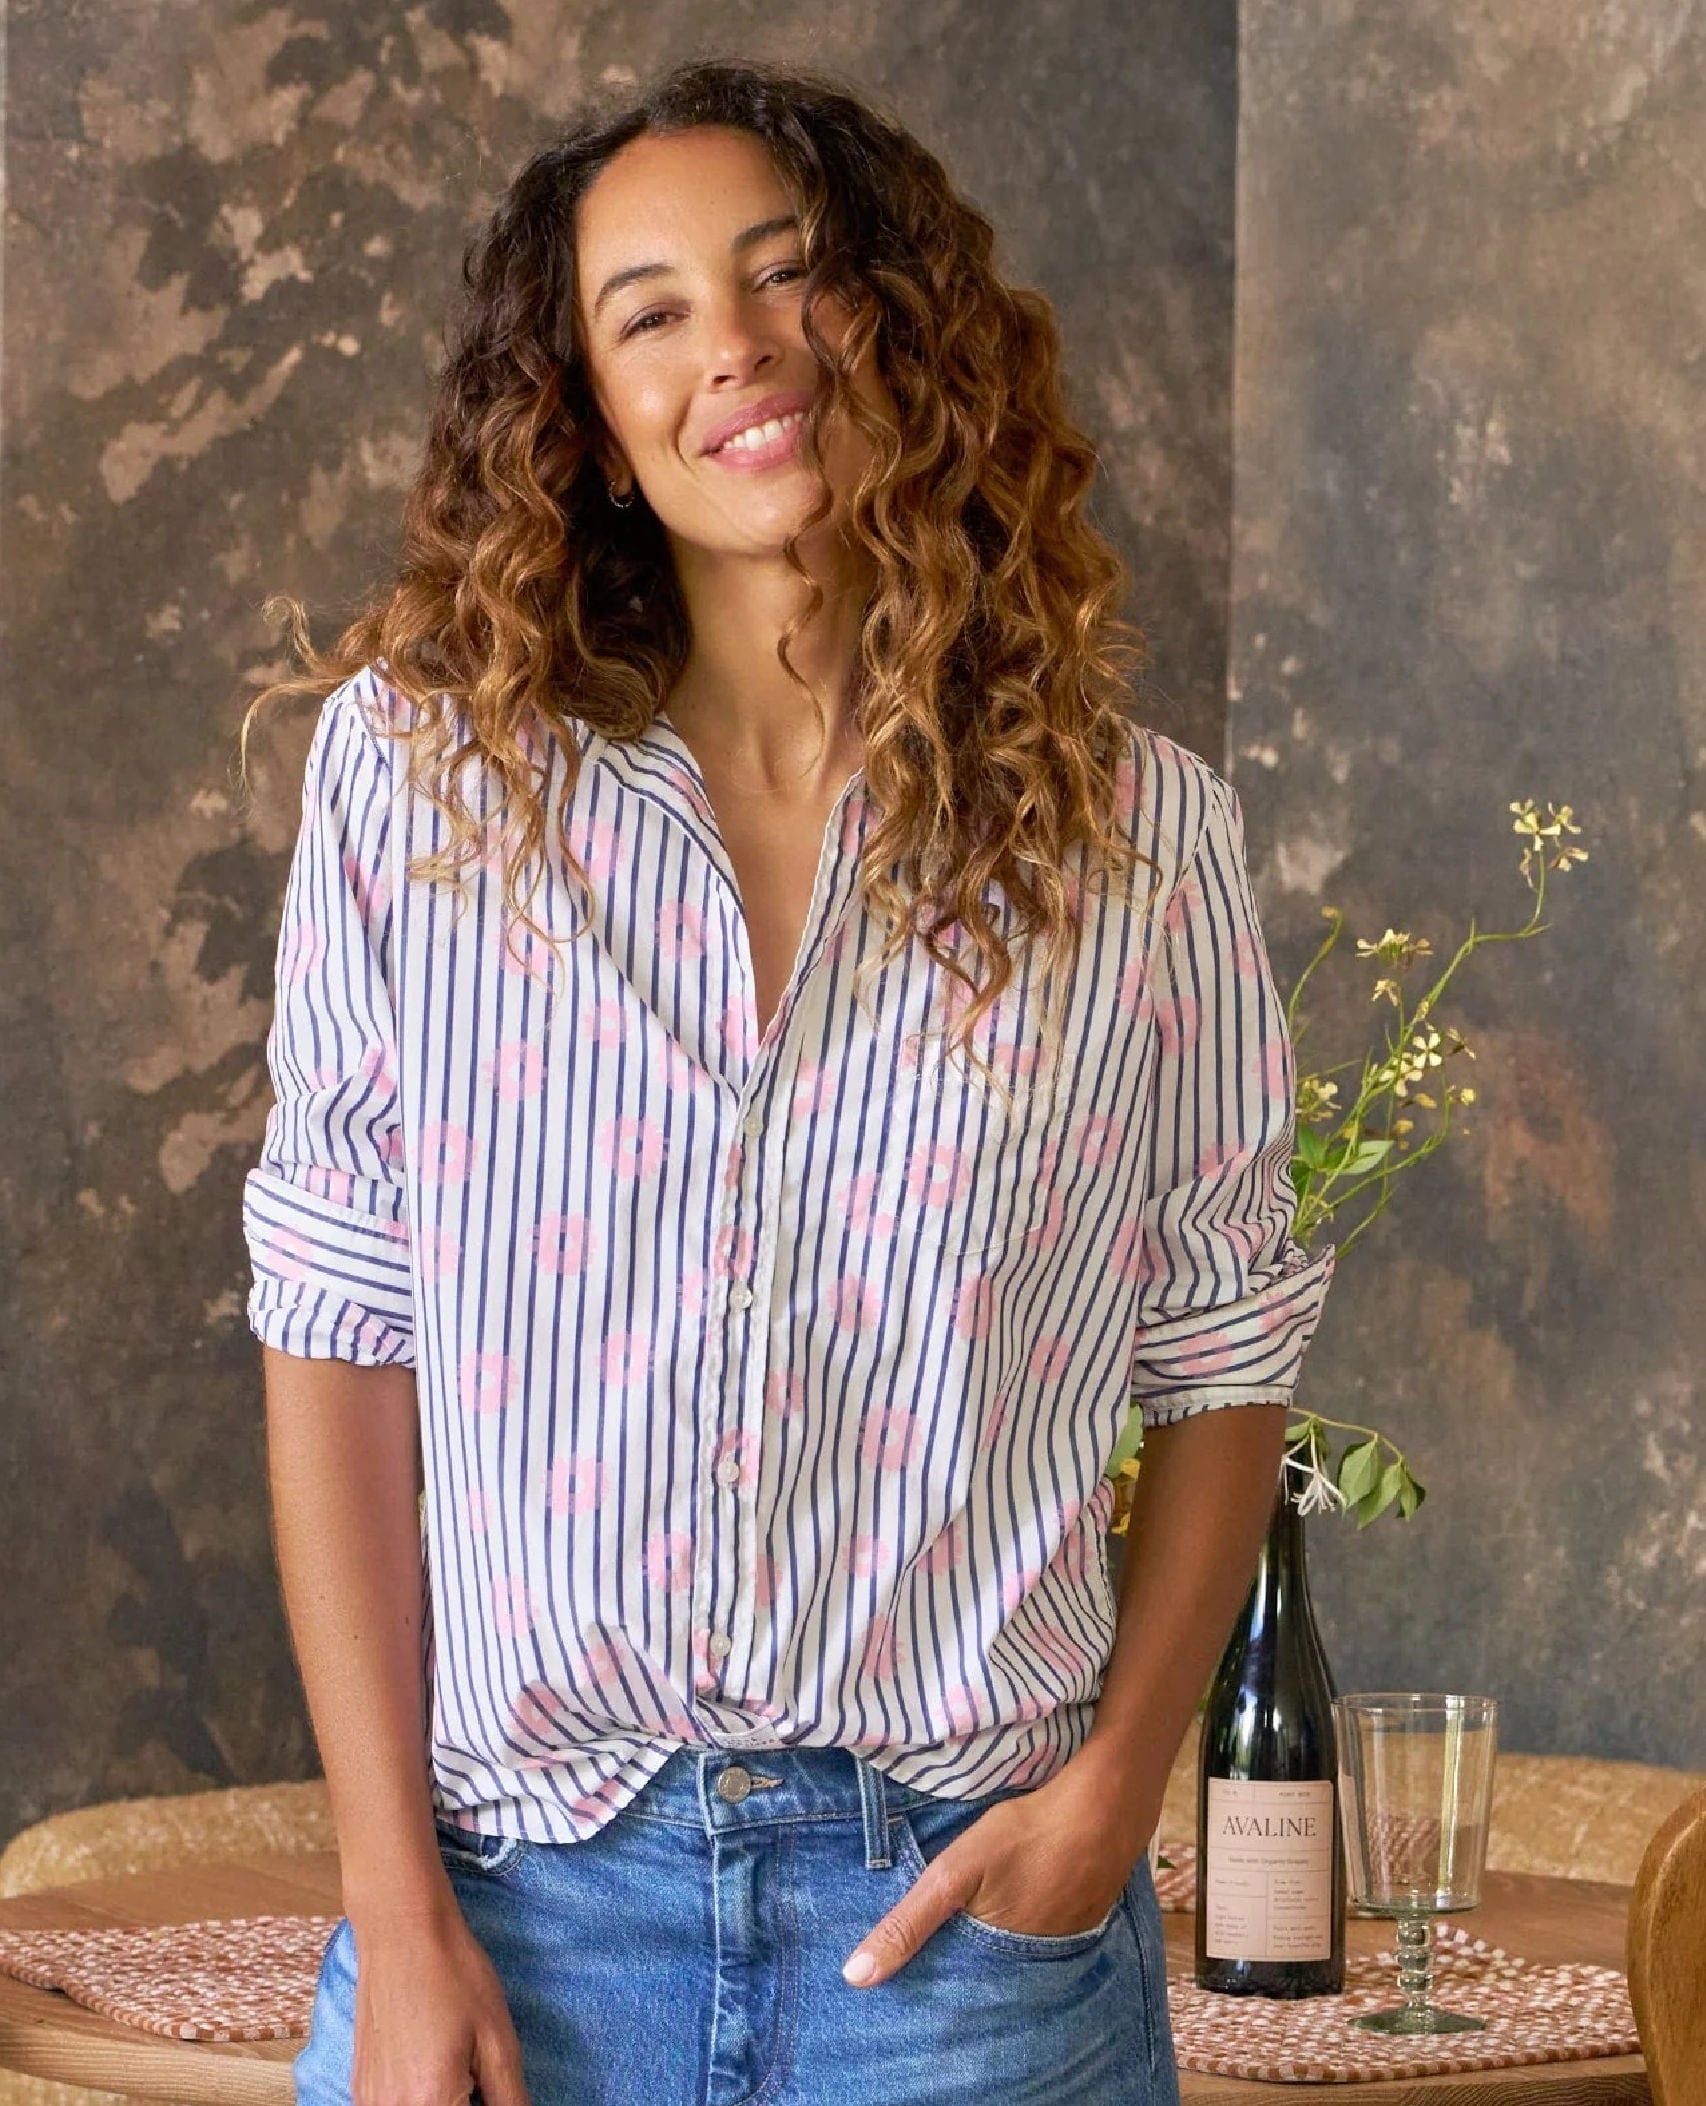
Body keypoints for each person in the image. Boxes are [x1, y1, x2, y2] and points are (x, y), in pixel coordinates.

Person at [239, 55, 1335, 2106]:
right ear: (584, 414)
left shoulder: (1138, 840)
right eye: (648, 311)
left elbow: (1221, 1343)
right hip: (521, 1917)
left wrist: (1113, 1795)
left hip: (963, 1948)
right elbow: (335, 1334)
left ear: (896, 319)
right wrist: (398, 1911)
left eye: (784, 271)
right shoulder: (422, 789)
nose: (733, 345)